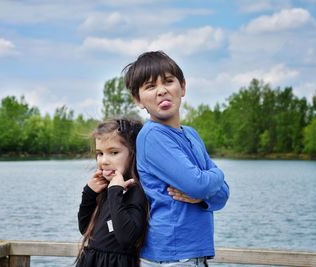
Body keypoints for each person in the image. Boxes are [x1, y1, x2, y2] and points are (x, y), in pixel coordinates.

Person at [123, 51, 230, 266]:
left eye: (169, 81)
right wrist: (216, 175)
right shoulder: (153, 136)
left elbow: (222, 197)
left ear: (182, 87)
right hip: (171, 256)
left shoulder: (191, 134)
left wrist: (201, 197)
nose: (162, 91)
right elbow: (197, 184)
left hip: (195, 255)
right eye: (150, 86)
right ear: (138, 99)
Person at [75, 118, 148, 267]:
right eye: (100, 153)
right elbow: (85, 229)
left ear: (133, 154)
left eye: (114, 152)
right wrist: (89, 193)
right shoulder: (107, 189)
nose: (104, 161)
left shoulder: (136, 192)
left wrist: (115, 192)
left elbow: (126, 238)